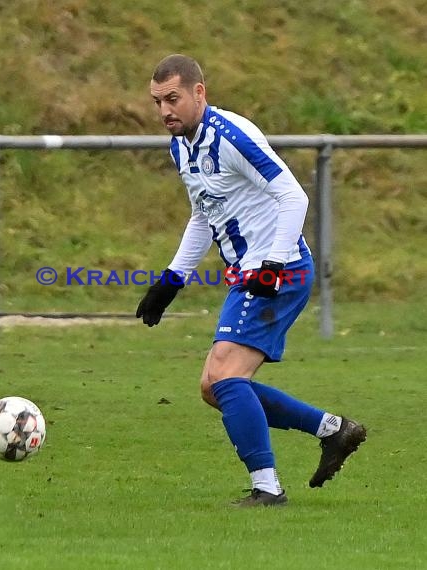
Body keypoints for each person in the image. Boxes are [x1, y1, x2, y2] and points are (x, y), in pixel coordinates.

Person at [136, 54, 366, 507]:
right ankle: (333, 430)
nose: (165, 110)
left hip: (275, 272)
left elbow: (292, 195)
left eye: (173, 99)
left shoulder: (230, 137)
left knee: (224, 376)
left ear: (199, 93)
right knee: (214, 387)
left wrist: (273, 264)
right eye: (158, 101)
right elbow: (205, 213)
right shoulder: (182, 144)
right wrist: (172, 279)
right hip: (251, 274)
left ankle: (267, 488)